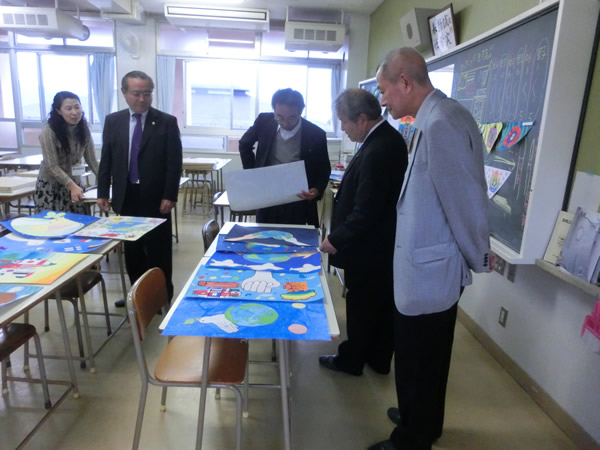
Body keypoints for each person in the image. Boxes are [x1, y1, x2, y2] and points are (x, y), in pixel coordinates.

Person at [369, 48, 491, 450]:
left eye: (384, 89)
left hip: (431, 271)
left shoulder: (441, 124)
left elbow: (465, 202)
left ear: (405, 82)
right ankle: (422, 420)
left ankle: (411, 438)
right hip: (427, 266)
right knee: (428, 358)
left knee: (418, 360)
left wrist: (476, 259)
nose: (382, 100)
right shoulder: (434, 117)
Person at [318, 88, 408, 376]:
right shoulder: (383, 139)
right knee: (378, 305)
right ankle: (378, 359)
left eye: (344, 122)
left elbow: (366, 209)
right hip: (378, 244)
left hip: (370, 246)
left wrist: (336, 239)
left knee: (362, 305)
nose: (343, 128)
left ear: (362, 118)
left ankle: (352, 360)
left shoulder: (379, 149)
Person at [97, 71, 182, 306]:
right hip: (126, 196)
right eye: (136, 93)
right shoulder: (113, 121)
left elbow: (174, 163)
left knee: (158, 251)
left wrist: (169, 195)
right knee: (132, 251)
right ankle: (136, 298)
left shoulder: (166, 122)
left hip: (156, 198)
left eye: (147, 93)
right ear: (124, 93)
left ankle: (162, 298)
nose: (142, 99)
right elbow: (107, 158)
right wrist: (102, 192)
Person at [238, 88, 331, 227]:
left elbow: (324, 168)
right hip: (267, 193)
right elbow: (244, 144)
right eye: (279, 117)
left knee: (294, 234)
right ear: (274, 111)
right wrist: (253, 173)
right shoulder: (264, 121)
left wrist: (317, 189)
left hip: (298, 197)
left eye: (291, 118)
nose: (285, 123)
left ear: (300, 112)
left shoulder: (315, 134)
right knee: (264, 232)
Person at [35, 91, 99, 214]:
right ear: (58, 111)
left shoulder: (83, 128)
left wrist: (106, 179)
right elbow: (52, 166)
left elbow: (92, 160)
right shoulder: (49, 131)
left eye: (77, 107)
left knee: (81, 220)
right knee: (55, 223)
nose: (74, 112)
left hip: (76, 184)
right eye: (69, 108)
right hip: (52, 187)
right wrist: (71, 185)